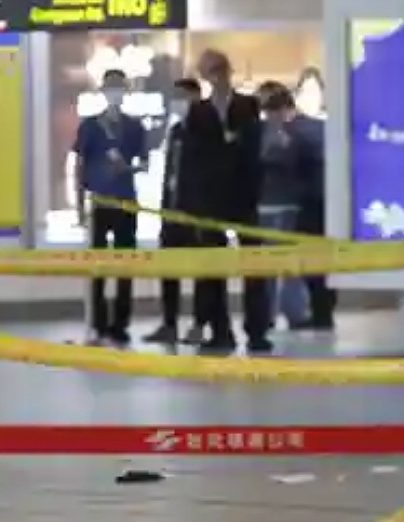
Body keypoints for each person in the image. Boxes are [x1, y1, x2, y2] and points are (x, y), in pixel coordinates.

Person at [179, 49, 269, 353]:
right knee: (212, 268)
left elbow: (254, 149)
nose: (216, 77)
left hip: (243, 197)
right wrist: (192, 206)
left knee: (254, 266)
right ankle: (220, 330)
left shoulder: (248, 105)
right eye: (209, 71)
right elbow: (191, 160)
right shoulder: (198, 112)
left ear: (228, 70)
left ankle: (257, 331)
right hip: (210, 200)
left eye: (219, 69)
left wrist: (255, 190)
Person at [73, 68, 147, 346]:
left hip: (126, 202)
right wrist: (79, 205)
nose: (115, 92)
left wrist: (128, 168)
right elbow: (80, 166)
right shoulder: (90, 127)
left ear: (126, 91)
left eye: (119, 87)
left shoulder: (134, 127)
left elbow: (145, 162)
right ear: (102, 91)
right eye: (110, 87)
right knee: (98, 267)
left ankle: (121, 323)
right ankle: (99, 322)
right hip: (100, 203)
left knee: (125, 265)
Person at [258, 83, 336, 330]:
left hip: (299, 203)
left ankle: (302, 313)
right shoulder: (319, 128)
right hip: (320, 202)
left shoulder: (290, 133)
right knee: (315, 263)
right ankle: (318, 313)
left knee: (291, 263)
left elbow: (279, 159)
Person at [143, 77, 209, 345]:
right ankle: (169, 323)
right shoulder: (176, 131)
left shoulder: (206, 132)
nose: (178, 102)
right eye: (175, 97)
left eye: (183, 96)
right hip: (172, 211)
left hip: (197, 213)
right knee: (169, 269)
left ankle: (199, 324)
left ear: (196, 98)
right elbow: (170, 173)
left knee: (202, 272)